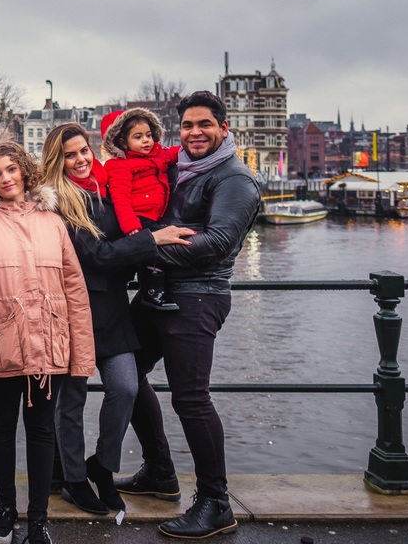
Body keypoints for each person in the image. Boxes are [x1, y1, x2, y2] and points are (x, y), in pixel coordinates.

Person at [114, 91, 260, 539]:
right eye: (188, 126)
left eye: (204, 125)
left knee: (191, 398)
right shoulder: (176, 165)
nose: (195, 133)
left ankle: (215, 502)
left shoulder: (234, 178)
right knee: (125, 375)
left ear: (223, 128)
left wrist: (144, 250)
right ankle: (160, 471)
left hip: (198, 296)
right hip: (160, 291)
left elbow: (215, 244)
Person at [38, 123, 195, 516]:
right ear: (58, 160)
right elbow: (96, 255)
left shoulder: (106, 186)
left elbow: (141, 205)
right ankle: (74, 480)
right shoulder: (59, 201)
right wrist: (150, 241)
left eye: (84, 151)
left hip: (111, 309)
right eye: (70, 154)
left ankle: (103, 467)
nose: (80, 159)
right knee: (69, 402)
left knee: (125, 387)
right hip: (73, 311)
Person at [0, 138, 94, 544]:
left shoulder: (51, 220)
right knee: (1, 427)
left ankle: (38, 519)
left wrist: (81, 353)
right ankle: (5, 510)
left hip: (49, 342)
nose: (5, 179)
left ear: (25, 171)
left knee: (41, 431)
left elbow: (74, 287)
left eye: (11, 170)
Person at [99, 108, 182, 311]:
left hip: (155, 215)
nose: (146, 141)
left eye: (148, 135)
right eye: (138, 137)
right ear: (122, 142)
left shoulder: (158, 155)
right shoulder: (120, 166)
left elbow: (175, 153)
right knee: (153, 254)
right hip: (139, 218)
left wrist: (192, 147)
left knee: (162, 250)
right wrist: (132, 229)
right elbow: (121, 200)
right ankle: (151, 292)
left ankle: (156, 289)